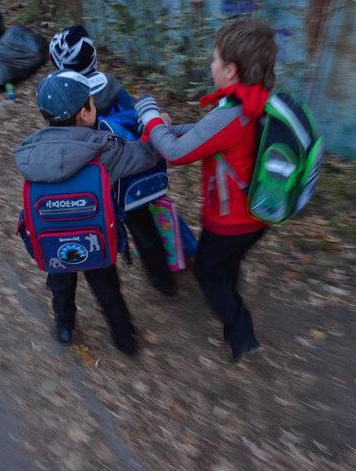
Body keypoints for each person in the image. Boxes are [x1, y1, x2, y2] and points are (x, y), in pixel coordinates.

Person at [133, 18, 277, 361]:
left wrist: (150, 117)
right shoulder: (251, 101)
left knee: (207, 274)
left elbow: (176, 153)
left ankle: (243, 337)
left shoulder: (231, 114)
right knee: (227, 264)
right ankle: (228, 293)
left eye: (214, 59)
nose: (210, 65)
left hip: (230, 222)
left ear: (230, 70)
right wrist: (165, 128)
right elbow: (204, 132)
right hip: (254, 216)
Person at [14, 69, 159, 357]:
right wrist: (155, 127)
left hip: (51, 233)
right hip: (94, 234)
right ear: (84, 113)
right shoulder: (105, 151)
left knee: (60, 280)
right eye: (92, 104)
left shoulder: (31, 152)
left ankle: (64, 328)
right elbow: (147, 156)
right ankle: (125, 341)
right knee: (107, 288)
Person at [49, 25, 176, 296]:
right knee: (145, 229)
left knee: (98, 236)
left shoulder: (70, 104)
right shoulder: (115, 88)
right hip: (131, 175)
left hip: (98, 184)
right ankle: (164, 282)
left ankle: (110, 294)